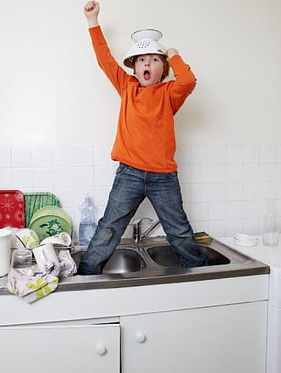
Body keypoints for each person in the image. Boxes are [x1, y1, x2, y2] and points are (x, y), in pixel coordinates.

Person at [78, 1, 207, 275]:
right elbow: (104, 58)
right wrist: (93, 21)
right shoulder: (127, 87)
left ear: (163, 69)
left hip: (164, 177)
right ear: (134, 68)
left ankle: (202, 275)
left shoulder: (169, 94)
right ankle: (86, 274)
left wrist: (174, 53)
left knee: (179, 230)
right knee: (110, 226)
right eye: (141, 60)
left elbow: (189, 81)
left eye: (155, 59)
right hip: (129, 175)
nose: (147, 63)